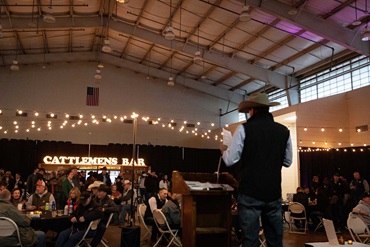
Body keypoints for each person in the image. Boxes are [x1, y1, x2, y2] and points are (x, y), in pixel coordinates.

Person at [220, 92, 292, 247]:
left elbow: (230, 159)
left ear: (252, 110)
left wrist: (224, 149)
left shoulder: (244, 129)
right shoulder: (284, 131)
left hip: (250, 192)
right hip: (273, 193)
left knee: (250, 240)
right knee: (275, 240)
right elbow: (288, 162)